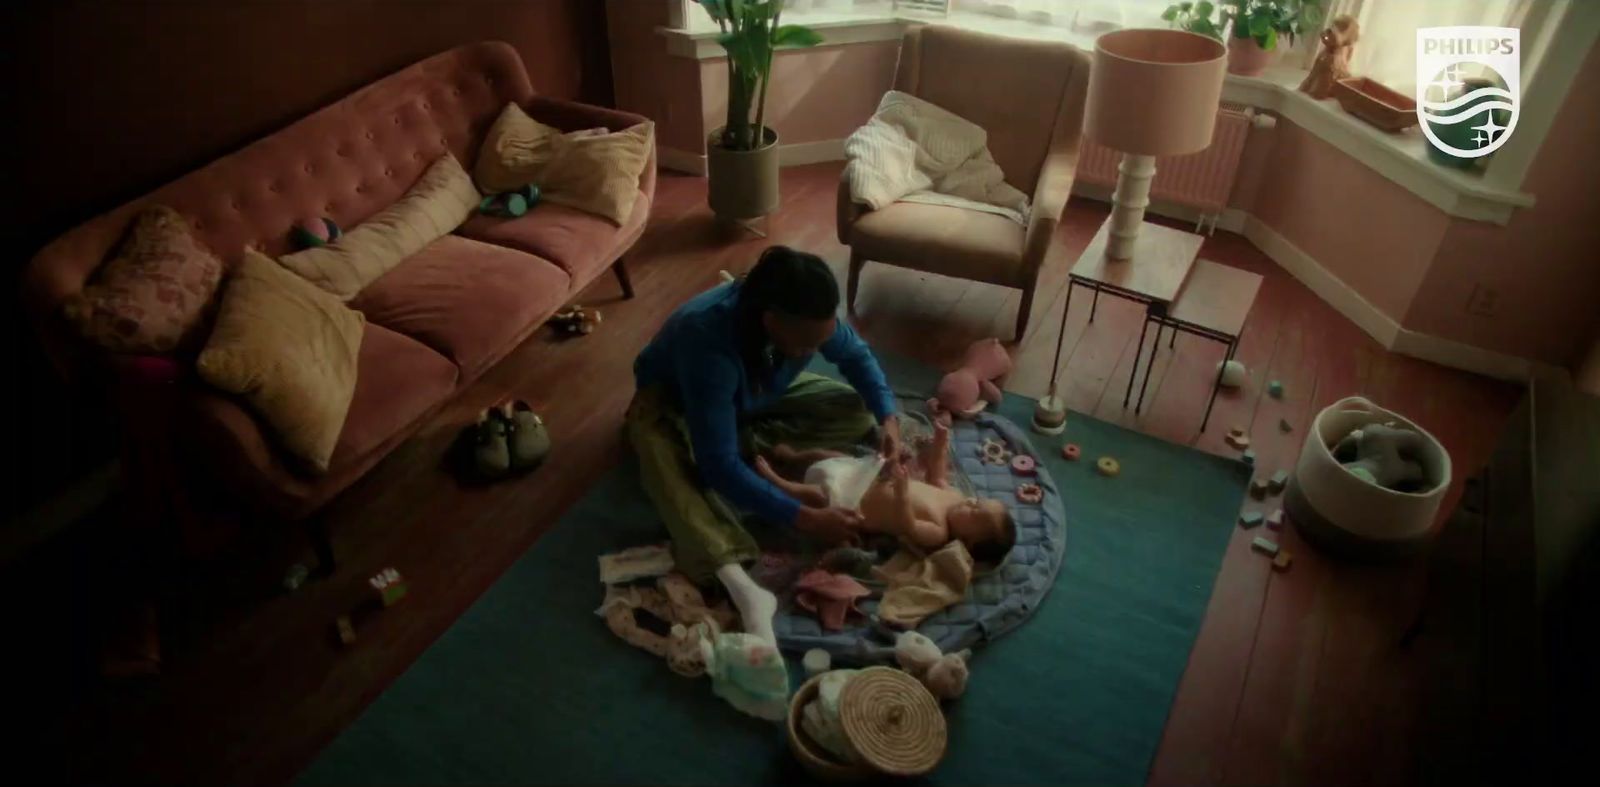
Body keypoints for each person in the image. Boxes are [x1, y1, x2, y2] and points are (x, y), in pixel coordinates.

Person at [627, 245, 901, 645]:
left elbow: (856, 357)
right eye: (808, 346)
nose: (815, 350)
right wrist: (803, 517)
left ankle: (749, 445)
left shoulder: (804, 319)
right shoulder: (706, 341)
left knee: (856, 410)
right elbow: (717, 466)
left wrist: (888, 418)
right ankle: (740, 582)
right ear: (771, 321)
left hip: (749, 399)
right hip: (676, 405)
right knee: (675, 466)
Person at [752, 420, 1016, 562]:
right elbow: (938, 474)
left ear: (969, 541)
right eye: (977, 500)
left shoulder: (938, 532)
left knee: (818, 496)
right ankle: (794, 456)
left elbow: (909, 525)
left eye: (975, 511)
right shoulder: (954, 497)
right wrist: (940, 444)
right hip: (866, 478)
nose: (970, 501)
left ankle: (781, 484)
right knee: (832, 456)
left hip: (853, 503)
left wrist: (902, 496)